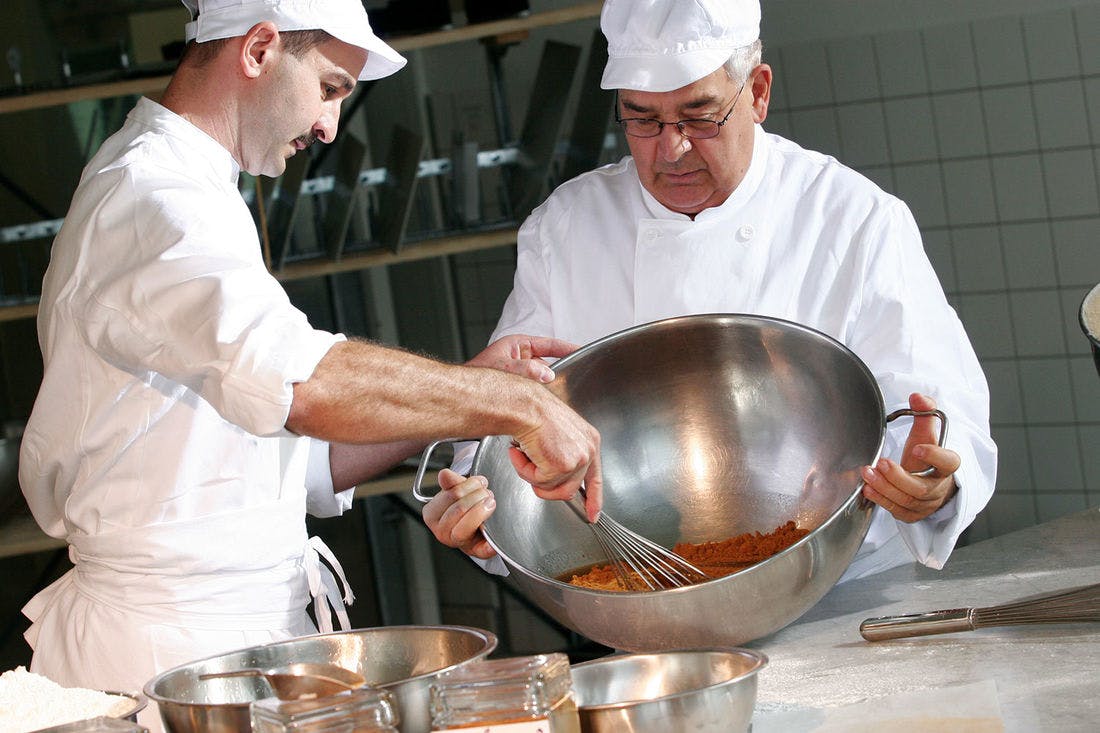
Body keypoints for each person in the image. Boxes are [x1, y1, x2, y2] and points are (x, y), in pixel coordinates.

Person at [17, 0, 602, 728]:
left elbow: (295, 461)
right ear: (259, 49)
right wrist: (512, 403)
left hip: (228, 647)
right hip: (164, 660)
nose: (329, 127)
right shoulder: (149, 198)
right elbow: (300, 384)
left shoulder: (199, 191)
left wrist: (468, 384)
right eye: (328, 89)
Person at [424, 0, 997, 583]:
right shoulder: (565, 229)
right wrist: (481, 514)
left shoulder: (852, 219)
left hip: (843, 591)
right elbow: (505, 417)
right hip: (647, 597)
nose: (670, 150)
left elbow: (940, 419)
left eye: (700, 117)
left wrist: (933, 483)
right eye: (642, 119)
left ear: (758, 92)